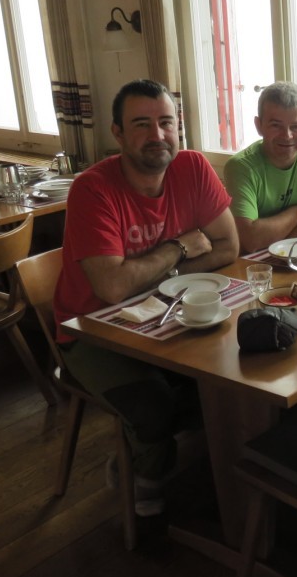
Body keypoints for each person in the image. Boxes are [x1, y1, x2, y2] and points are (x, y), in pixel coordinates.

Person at [53, 78, 239, 514]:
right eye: (141, 124)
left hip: (166, 309)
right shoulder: (92, 189)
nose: (157, 135)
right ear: (117, 133)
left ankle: (215, 482)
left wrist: (163, 276)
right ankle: (143, 488)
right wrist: (178, 247)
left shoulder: (193, 167)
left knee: (232, 376)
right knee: (155, 407)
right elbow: (112, 288)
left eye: (166, 122)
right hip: (91, 330)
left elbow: (229, 247)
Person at [224, 81, 297, 253]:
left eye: (296, 126)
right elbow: (249, 240)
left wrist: (270, 233)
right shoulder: (240, 167)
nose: (287, 136)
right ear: (258, 125)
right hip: (257, 267)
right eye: (276, 125)